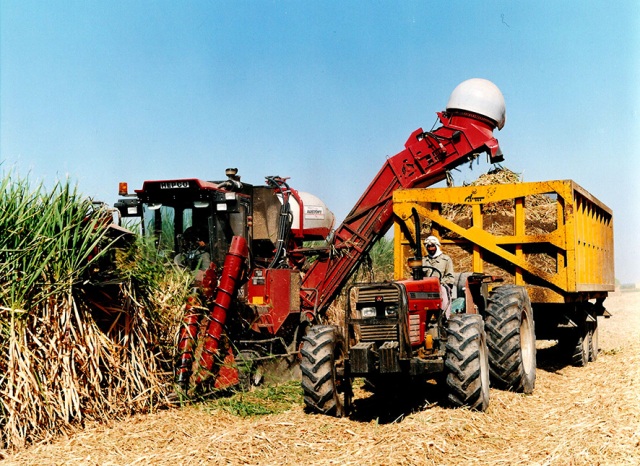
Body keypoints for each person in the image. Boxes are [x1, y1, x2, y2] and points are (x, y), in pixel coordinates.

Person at [422, 235, 455, 317]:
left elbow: (450, 277)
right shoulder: (423, 260)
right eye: (428, 247)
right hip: (426, 287)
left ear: (436, 246)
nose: (430, 249)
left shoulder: (446, 259)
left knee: (443, 292)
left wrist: (440, 282)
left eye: (432, 246)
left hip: (440, 286)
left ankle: (445, 315)